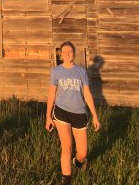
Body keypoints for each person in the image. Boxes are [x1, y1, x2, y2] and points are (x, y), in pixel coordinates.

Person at [46, 41, 101, 185]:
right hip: (61, 111)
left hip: (79, 114)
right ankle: (67, 180)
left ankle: (78, 162)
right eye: (64, 52)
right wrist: (48, 116)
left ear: (74, 54)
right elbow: (51, 94)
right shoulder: (56, 71)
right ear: (61, 54)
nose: (67, 54)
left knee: (82, 152)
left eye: (70, 52)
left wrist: (95, 115)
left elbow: (87, 93)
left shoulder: (81, 71)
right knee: (67, 146)